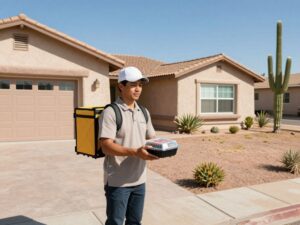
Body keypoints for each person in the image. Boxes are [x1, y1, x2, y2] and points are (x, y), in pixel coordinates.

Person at [98, 66, 159, 225]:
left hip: (140, 179)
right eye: (133, 85)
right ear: (121, 86)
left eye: (140, 84)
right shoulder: (111, 112)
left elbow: (152, 138)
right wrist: (135, 152)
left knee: (134, 222)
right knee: (115, 222)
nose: (138, 89)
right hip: (118, 182)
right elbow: (105, 146)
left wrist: (163, 148)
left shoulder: (144, 112)